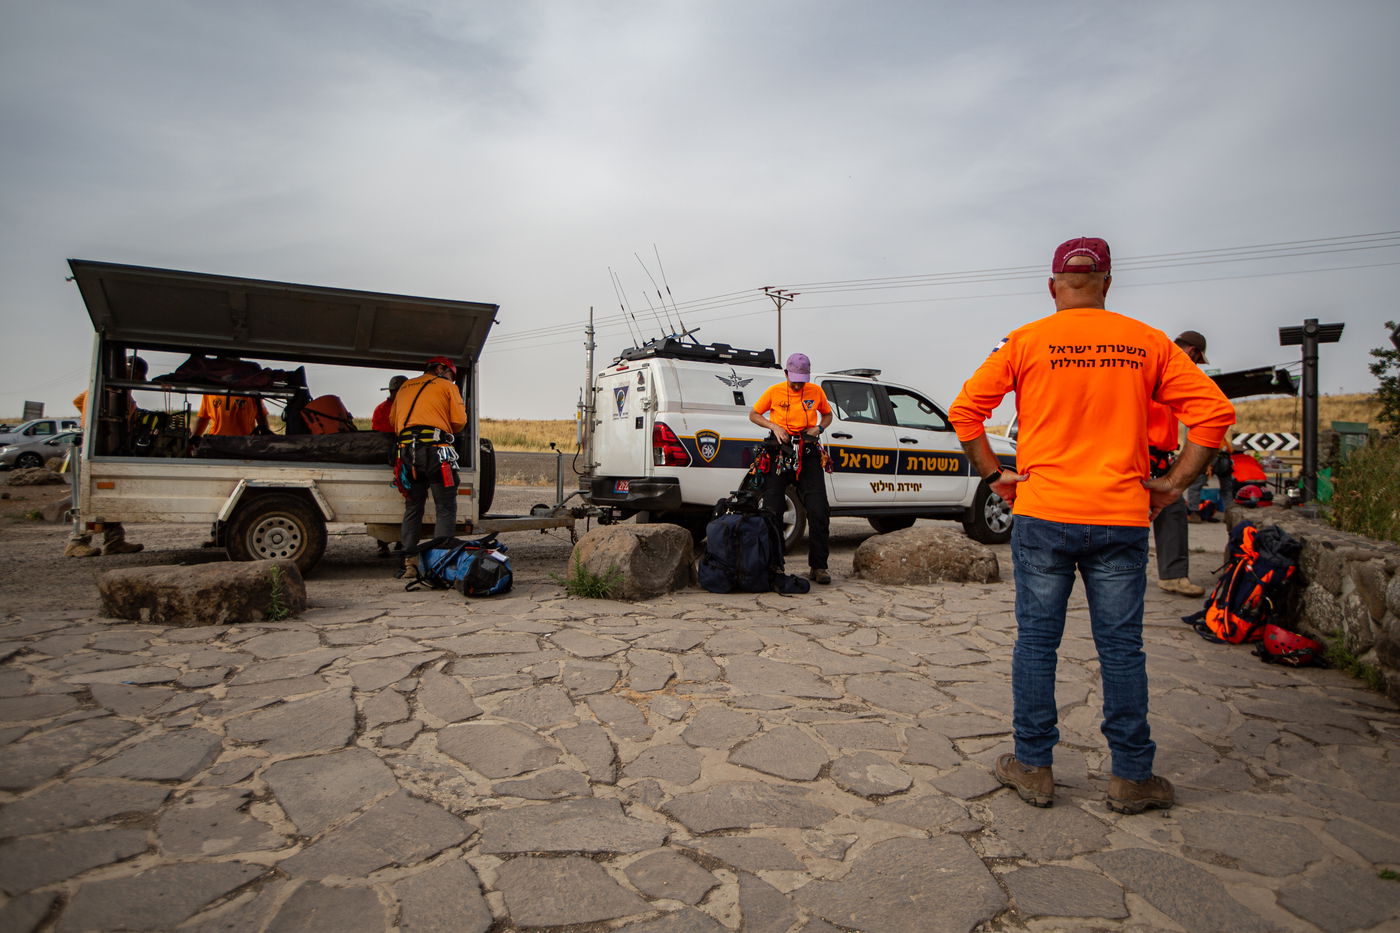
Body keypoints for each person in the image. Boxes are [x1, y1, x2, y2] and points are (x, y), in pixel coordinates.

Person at [948, 236, 1234, 814]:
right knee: (1122, 648)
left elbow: (965, 411)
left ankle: (1033, 768)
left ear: (1054, 285)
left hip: (1044, 514)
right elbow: (1213, 414)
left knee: (1036, 643)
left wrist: (996, 474)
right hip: (1120, 515)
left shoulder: (1025, 340)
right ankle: (1131, 777)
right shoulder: (1147, 341)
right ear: (1106, 283)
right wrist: (1174, 485)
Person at [747, 352, 834, 584]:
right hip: (780, 453)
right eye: (794, 379)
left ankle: (819, 566)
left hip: (808, 453)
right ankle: (774, 565)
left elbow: (827, 415)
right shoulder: (774, 391)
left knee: (818, 510)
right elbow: (754, 414)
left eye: (801, 380)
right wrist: (774, 426)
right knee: (773, 509)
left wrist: (819, 429)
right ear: (786, 373)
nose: (797, 384)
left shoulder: (816, 392)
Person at [391, 356, 468, 578]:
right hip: (436, 453)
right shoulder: (446, 386)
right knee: (445, 507)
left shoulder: (405, 386)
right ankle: (439, 564)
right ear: (442, 369)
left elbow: (393, 420)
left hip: (407, 455)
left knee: (413, 508)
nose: (452, 380)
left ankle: (410, 564)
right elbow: (459, 421)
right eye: (452, 375)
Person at [1147, 331, 1211, 597]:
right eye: (1196, 361)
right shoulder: (1155, 369)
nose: (1195, 367)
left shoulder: (1171, 376)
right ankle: (1117, 575)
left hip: (1160, 459)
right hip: (1139, 455)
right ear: (1193, 352)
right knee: (1132, 518)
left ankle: (1173, 575)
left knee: (1171, 512)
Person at [65, 357, 147, 557]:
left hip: (111, 447)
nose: (138, 379)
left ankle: (114, 541)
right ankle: (77, 542)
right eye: (138, 376)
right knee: (91, 497)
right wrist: (90, 423)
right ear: (132, 372)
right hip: (97, 447)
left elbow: (77, 400)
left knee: (110, 496)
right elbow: (81, 401)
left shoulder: (119, 392)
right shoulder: (105, 392)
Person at [192, 394, 269, 437]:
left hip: (245, 443)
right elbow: (203, 417)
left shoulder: (251, 392)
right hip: (216, 442)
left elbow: (262, 418)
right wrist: (193, 439)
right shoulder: (209, 393)